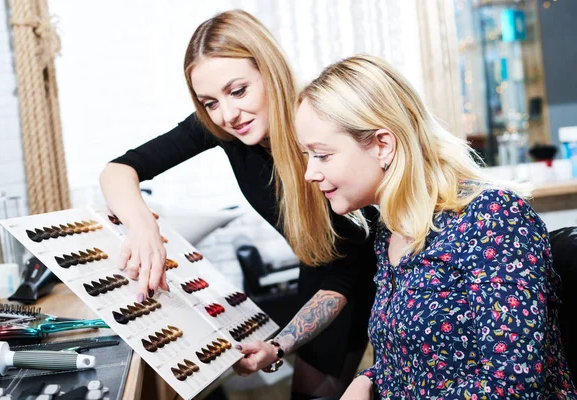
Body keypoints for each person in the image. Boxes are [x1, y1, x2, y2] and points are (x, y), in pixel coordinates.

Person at [99, 10, 378, 399]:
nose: (227, 115)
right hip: (319, 271)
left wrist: (280, 345)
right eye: (209, 102)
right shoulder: (225, 127)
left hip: (369, 278)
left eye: (238, 90)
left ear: (269, 72)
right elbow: (118, 170)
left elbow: (350, 273)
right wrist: (144, 229)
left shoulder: (321, 128)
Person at [288, 54, 577, 399]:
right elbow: (413, 358)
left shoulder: (492, 218)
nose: (309, 173)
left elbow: (512, 384)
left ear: (383, 145)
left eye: (321, 154)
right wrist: (368, 379)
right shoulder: (390, 230)